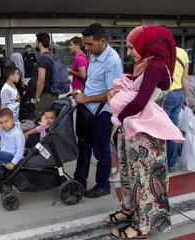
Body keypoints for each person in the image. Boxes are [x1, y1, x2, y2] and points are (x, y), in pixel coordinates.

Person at [106, 25, 179, 240]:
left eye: (131, 47)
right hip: (133, 133)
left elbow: (139, 101)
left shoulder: (156, 66)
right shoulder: (145, 64)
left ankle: (144, 225)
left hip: (146, 137)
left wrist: (117, 118)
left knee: (145, 179)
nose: (128, 52)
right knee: (129, 174)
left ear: (148, 45)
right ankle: (129, 209)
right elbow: (134, 88)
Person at [73, 23, 123, 198]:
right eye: (85, 44)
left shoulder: (113, 61)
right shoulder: (95, 55)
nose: (86, 48)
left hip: (102, 113)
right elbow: (93, 83)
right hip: (88, 111)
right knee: (84, 147)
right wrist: (82, 94)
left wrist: (86, 98)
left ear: (102, 41)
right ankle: (79, 181)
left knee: (101, 151)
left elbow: (112, 93)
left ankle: (103, 185)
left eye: (89, 44)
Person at [163, 47, 190, 172]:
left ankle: (162, 162)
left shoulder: (161, 51)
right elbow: (185, 78)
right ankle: (171, 164)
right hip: (179, 95)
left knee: (161, 131)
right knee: (172, 131)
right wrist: (187, 96)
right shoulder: (183, 52)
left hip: (166, 95)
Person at [0, 108, 25, 182]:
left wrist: (13, 163)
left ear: (13, 120)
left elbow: (20, 151)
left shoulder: (18, 133)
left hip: (12, 155)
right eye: (1, 122)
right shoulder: (4, 128)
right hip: (4, 150)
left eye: (6, 121)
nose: (4, 125)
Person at [35, 33, 58, 115]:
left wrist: (37, 96)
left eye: (36, 41)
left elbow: (41, 80)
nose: (36, 44)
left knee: (43, 121)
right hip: (54, 93)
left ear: (40, 43)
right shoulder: (52, 56)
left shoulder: (43, 58)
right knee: (51, 119)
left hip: (45, 95)